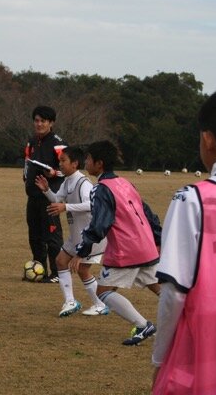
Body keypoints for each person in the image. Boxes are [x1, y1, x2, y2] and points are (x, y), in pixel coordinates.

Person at [152, 89, 216, 394]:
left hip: (207, 360)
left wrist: (159, 359)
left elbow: (174, 293)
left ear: (207, 138)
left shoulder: (192, 199)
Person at [70, 140, 162, 345]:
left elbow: (99, 225)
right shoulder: (126, 183)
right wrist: (158, 239)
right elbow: (148, 213)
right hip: (146, 246)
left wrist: (81, 252)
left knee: (103, 292)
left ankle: (142, 325)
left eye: (88, 159)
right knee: (160, 289)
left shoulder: (101, 189)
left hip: (126, 250)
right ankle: (190, 321)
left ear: (99, 163)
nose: (86, 162)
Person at [34, 146, 108, 317]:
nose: (60, 164)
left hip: (90, 236)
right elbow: (57, 200)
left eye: (63, 161)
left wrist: (65, 207)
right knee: (60, 261)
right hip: (76, 235)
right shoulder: (67, 181)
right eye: (60, 161)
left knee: (82, 270)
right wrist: (46, 190)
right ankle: (70, 301)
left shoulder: (83, 183)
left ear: (75, 164)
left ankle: (101, 303)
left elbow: (92, 205)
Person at [23, 106, 67, 283]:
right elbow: (27, 164)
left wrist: (54, 173)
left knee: (52, 236)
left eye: (43, 121)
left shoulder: (58, 144)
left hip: (50, 198)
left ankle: (57, 273)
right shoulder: (32, 142)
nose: (39, 124)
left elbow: (69, 168)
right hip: (33, 197)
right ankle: (39, 269)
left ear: (51, 123)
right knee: (34, 236)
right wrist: (25, 179)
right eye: (36, 120)